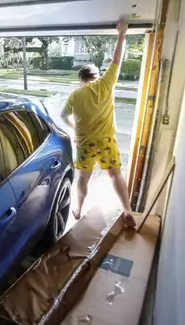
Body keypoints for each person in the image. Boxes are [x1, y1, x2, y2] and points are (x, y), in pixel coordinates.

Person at [60, 19, 136, 227]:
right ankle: (128, 210)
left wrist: (75, 128)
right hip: (106, 141)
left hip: (85, 143)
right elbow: (117, 59)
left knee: (83, 178)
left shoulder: (75, 94)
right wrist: (122, 34)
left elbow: (63, 116)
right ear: (96, 75)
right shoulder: (106, 83)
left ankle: (78, 210)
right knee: (115, 175)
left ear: (81, 79)